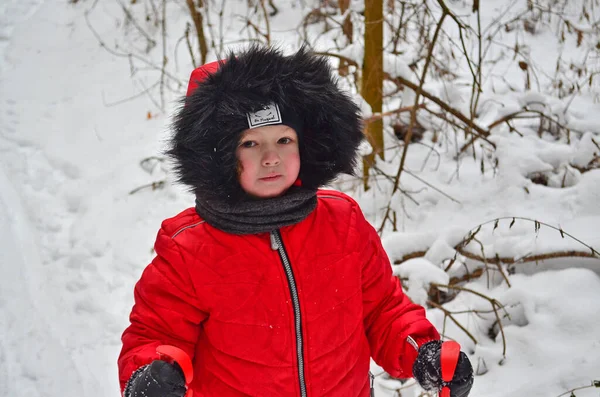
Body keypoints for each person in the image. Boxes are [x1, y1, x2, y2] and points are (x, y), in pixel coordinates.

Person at [117, 46, 474, 397]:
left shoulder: (342, 222)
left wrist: (422, 352)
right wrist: (151, 375)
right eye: (251, 143)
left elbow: (382, 310)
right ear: (220, 157)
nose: (271, 157)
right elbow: (156, 334)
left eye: (284, 139)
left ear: (306, 145)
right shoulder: (190, 249)